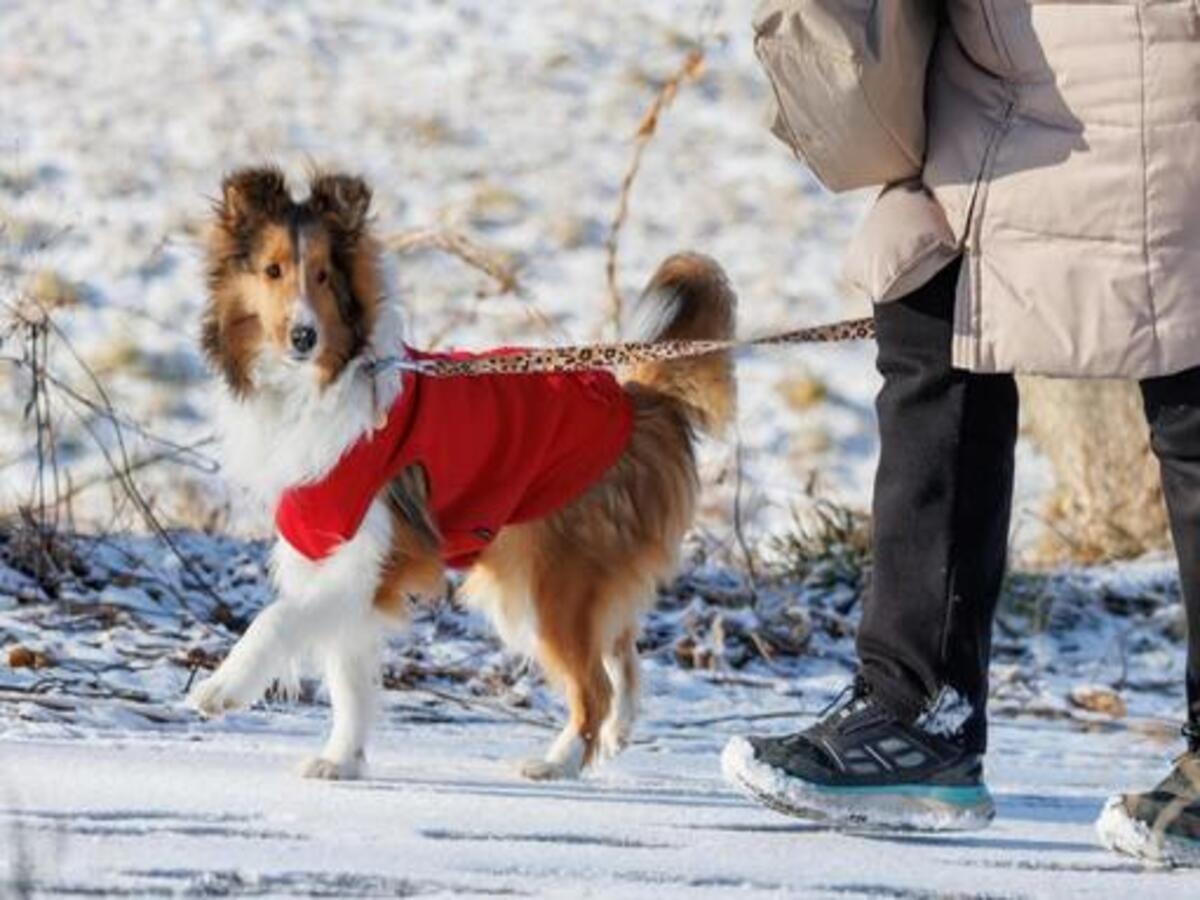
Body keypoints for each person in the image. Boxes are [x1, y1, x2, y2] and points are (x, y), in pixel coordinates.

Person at [722, 0, 1200, 865]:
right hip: (990, 83)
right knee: (931, 329)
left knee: (1191, 392)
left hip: (1154, 78)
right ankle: (915, 715)